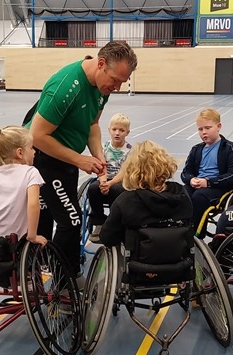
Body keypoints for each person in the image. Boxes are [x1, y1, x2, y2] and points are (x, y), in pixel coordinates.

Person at [26, 40, 137, 276]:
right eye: (115, 80)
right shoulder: (66, 87)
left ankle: (45, 270)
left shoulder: (101, 87)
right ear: (100, 64)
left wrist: (98, 157)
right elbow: (36, 136)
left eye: (122, 82)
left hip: (66, 159)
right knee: (72, 220)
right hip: (43, 157)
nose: (117, 87)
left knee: (55, 217)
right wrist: (80, 160)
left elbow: (93, 124)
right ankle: (65, 284)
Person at [99, 140, 192, 247]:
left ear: (132, 170)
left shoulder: (126, 200)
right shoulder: (181, 193)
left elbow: (107, 238)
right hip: (179, 259)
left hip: (139, 260)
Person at [180, 108, 233, 227]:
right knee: (182, 193)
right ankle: (182, 227)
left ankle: (195, 232)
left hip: (220, 187)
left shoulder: (230, 148)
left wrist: (208, 182)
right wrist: (191, 179)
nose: (204, 132)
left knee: (199, 196)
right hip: (199, 185)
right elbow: (185, 173)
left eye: (208, 128)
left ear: (218, 126)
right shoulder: (196, 149)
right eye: (200, 129)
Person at [87, 113, 132, 243]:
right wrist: (103, 182)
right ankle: (99, 222)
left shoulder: (129, 150)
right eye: (114, 129)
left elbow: (124, 172)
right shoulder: (104, 148)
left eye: (121, 130)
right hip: (104, 179)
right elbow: (101, 165)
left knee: (117, 191)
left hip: (119, 181)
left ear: (127, 133)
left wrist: (110, 183)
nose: (117, 133)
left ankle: (114, 224)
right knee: (93, 188)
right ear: (109, 130)